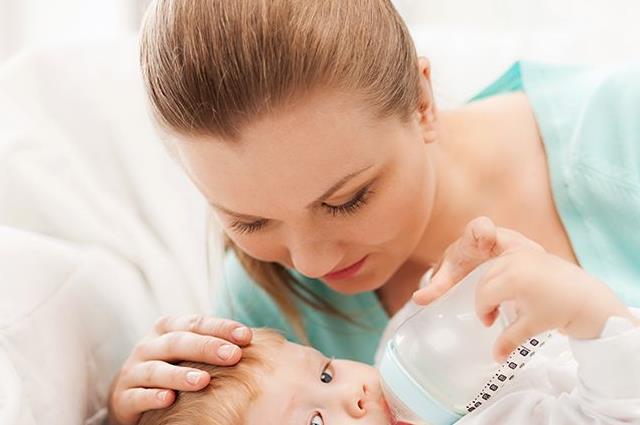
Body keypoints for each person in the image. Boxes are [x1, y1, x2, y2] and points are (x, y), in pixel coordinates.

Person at [108, 0, 640, 423]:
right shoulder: (266, 311)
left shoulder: (622, 135)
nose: (312, 264)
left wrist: (594, 316)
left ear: (422, 99)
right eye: (249, 221)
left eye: (346, 199)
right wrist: (122, 414)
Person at [136, 244, 640, 425]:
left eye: (327, 372)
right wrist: (588, 313)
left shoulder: (399, 353)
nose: (354, 397)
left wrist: (468, 280)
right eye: (314, 423)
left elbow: (450, 311)